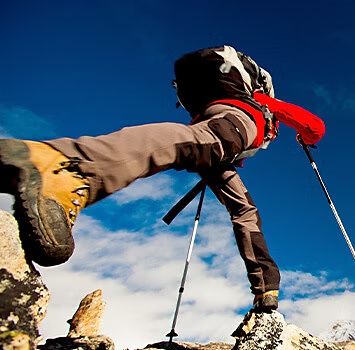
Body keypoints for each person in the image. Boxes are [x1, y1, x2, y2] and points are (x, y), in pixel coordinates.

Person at [0, 45, 325, 312]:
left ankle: (266, 288)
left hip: (218, 141)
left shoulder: (217, 102)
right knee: (200, 144)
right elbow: (314, 125)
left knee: (243, 209)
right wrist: (306, 138)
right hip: (234, 124)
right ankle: (67, 167)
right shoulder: (260, 103)